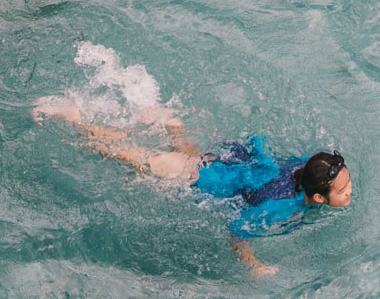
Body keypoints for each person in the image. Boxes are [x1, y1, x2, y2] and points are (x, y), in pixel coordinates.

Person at [33, 98, 352, 276]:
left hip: (233, 166)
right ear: (319, 197)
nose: (350, 190)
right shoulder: (282, 205)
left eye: (347, 184)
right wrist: (254, 266)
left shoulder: (306, 167)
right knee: (131, 157)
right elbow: (236, 231)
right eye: (343, 189)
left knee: (194, 157)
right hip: (205, 179)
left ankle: (172, 125)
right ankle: (73, 119)